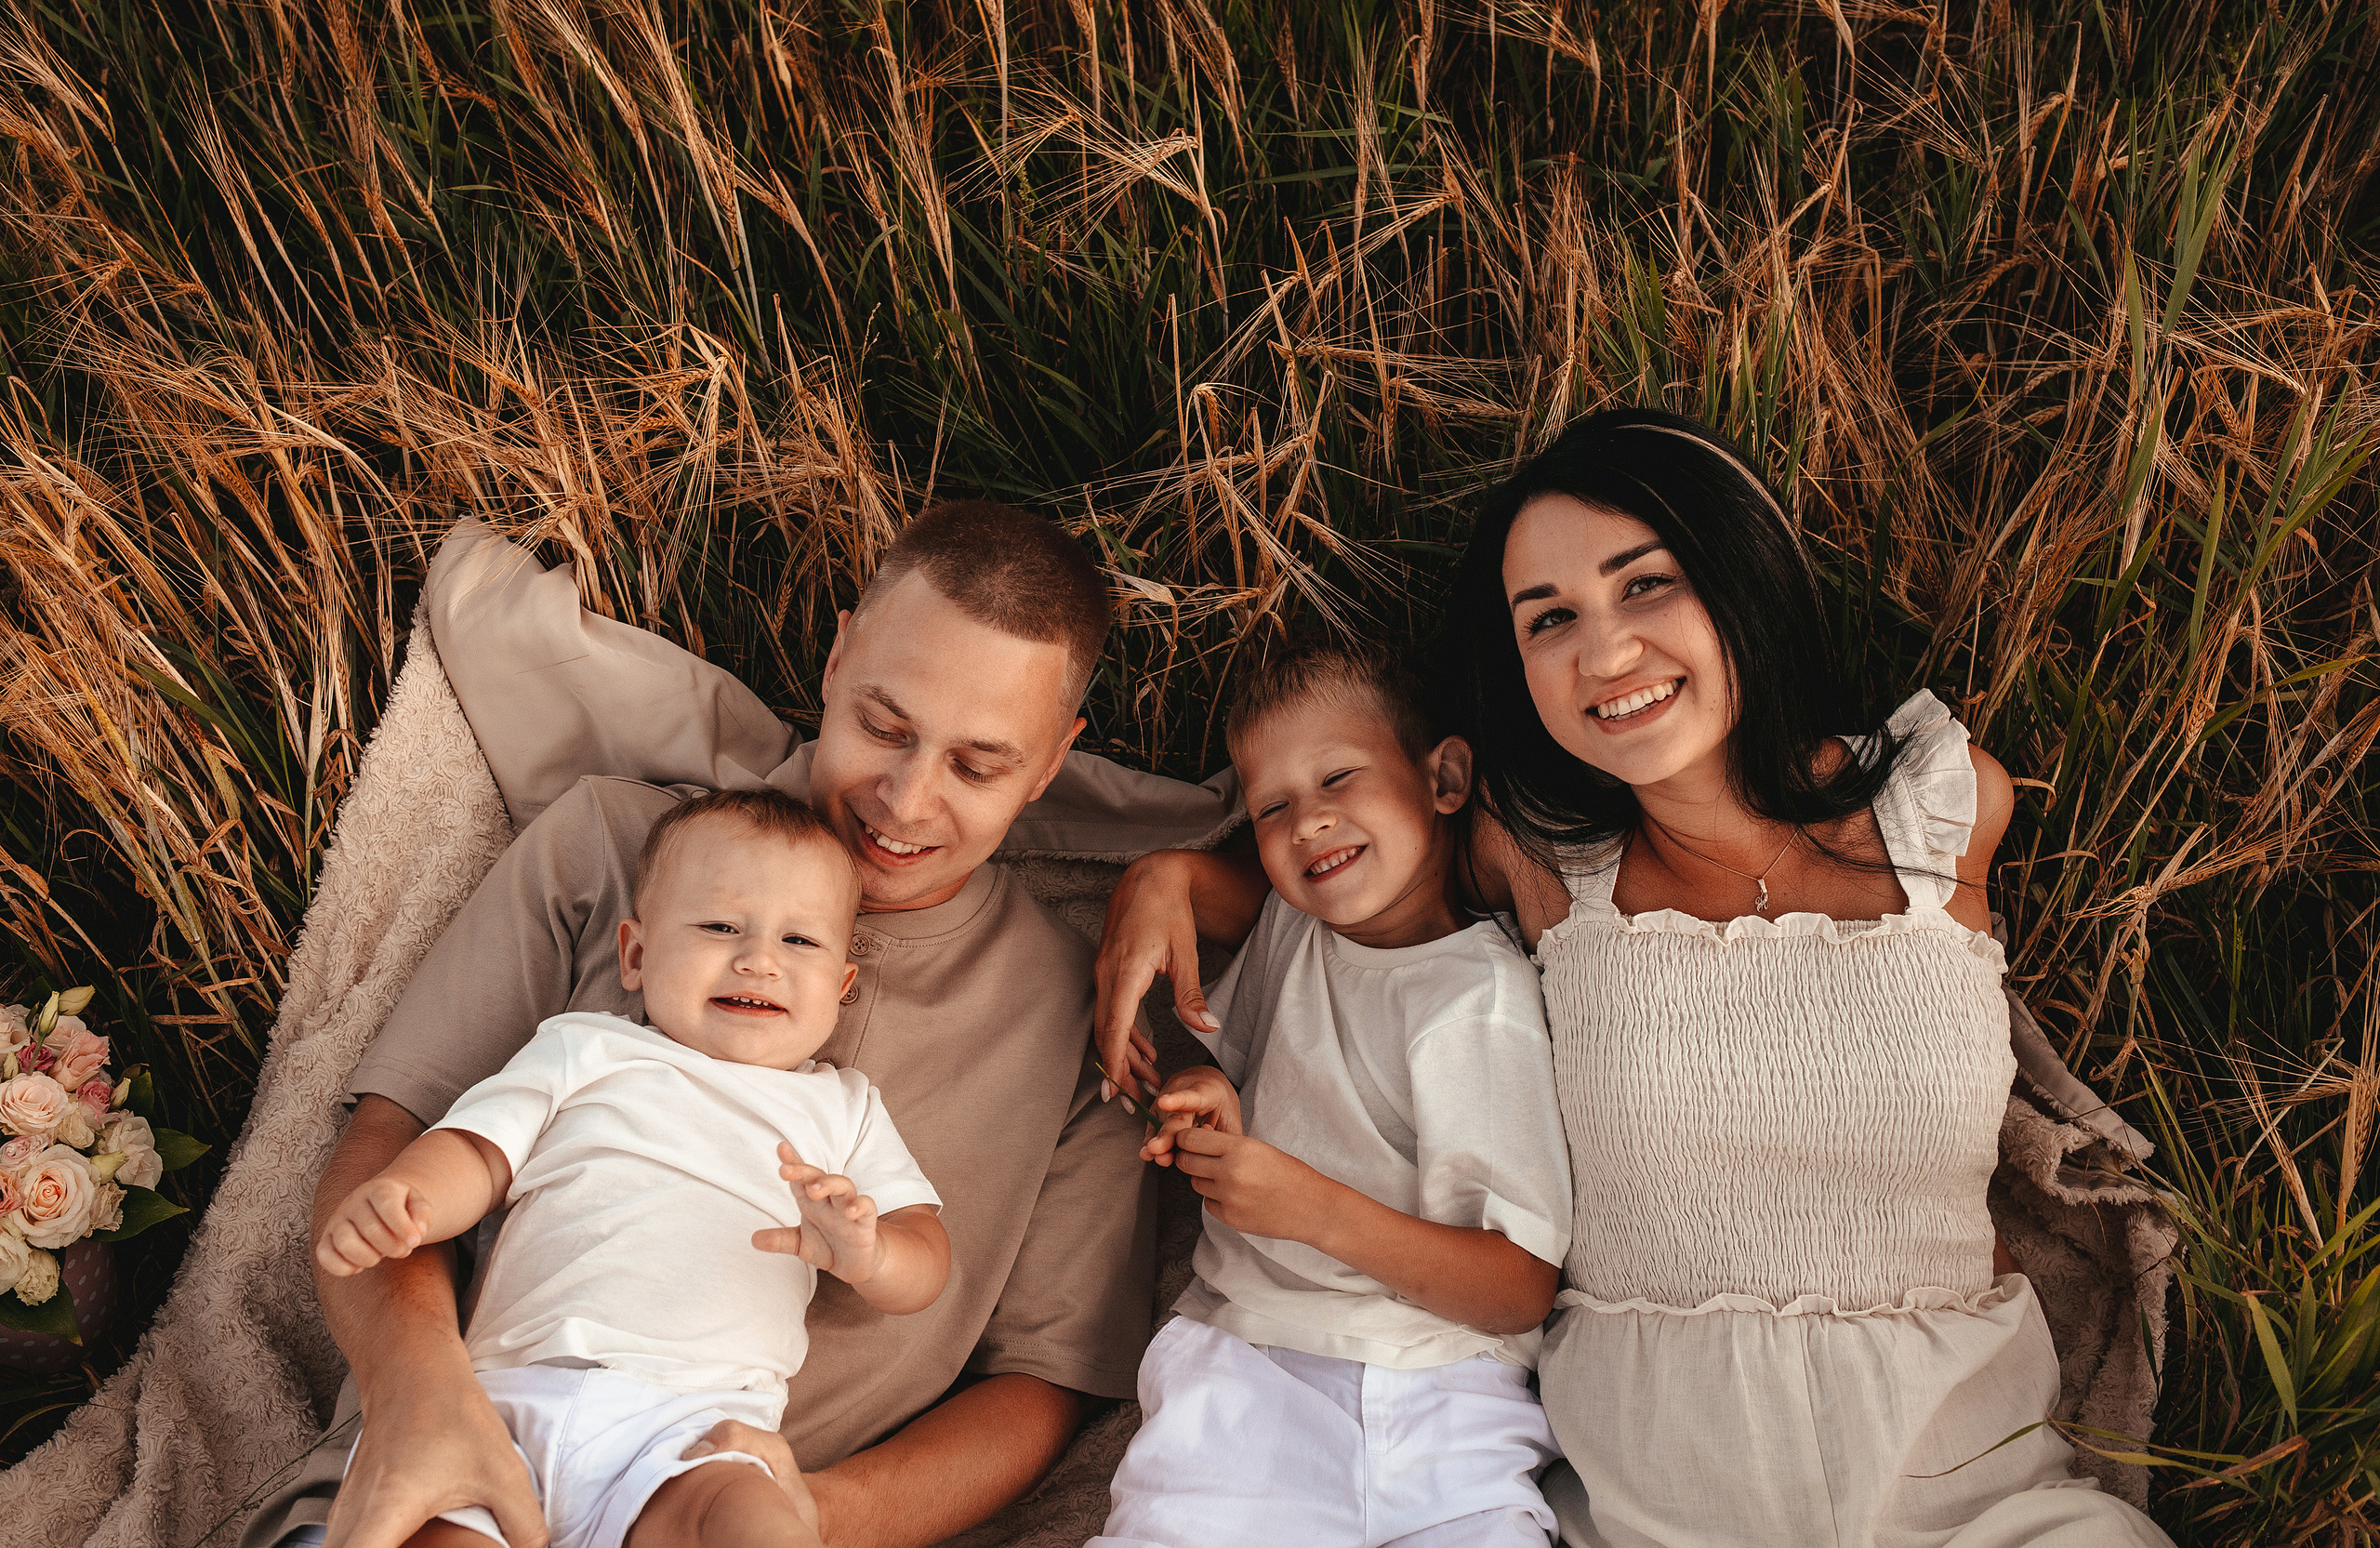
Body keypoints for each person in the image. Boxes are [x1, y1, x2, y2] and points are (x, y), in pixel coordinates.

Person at [1096, 409, 2176, 1547]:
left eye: (1645, 585)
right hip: (1662, 1502)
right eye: (1550, 618)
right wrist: (1168, 880)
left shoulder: (1940, 807)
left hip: (1970, 1481)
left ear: (1738, 577)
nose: (1604, 654)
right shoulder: (1531, 851)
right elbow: (1352, 886)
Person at [249, 501, 1166, 1548]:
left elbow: (1045, 1383)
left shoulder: (1085, 1020)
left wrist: (811, 1512)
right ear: (836, 661)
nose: (907, 801)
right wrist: (420, 1397)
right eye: (883, 727)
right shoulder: (609, 846)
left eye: (977, 766)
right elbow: (393, 1147)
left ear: (1050, 766)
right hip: (451, 1476)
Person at [315, 787, 949, 1548]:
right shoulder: (583, 1047)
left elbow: (926, 1253)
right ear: (637, 955)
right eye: (720, 926)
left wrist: (872, 1254)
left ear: (842, 988)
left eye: (800, 940)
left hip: (693, 1434)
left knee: (751, 1524)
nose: (758, 959)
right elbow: (480, 1152)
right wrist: (410, 1196)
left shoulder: (843, 1108)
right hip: (498, 1408)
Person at [1091, 640, 1570, 1548]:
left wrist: (1312, 1209)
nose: (1307, 822)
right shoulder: (1293, 929)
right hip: (1245, 1376)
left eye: (1338, 777)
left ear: (1443, 779)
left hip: (1443, 1397)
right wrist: (1203, 1096)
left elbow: (1517, 1288)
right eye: (1272, 807)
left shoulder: (1476, 1003)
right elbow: (1252, 1076)